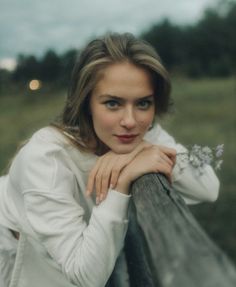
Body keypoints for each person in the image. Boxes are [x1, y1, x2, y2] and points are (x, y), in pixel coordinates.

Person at [0, 32, 219, 287]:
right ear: (86, 103)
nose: (130, 121)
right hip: (11, 253)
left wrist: (143, 149)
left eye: (143, 103)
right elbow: (86, 276)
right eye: (113, 103)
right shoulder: (46, 159)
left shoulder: (145, 134)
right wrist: (122, 181)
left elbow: (208, 188)